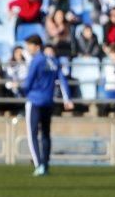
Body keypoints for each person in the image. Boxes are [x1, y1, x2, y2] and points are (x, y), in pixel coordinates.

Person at [15, 36, 74, 175]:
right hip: (48, 101)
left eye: (29, 46)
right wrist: (67, 99)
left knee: (33, 134)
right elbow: (62, 80)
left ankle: (39, 164)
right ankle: (45, 164)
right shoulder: (53, 61)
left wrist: (21, 90)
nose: (28, 49)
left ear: (36, 46)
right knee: (46, 134)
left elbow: (28, 82)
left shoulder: (37, 60)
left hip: (34, 101)